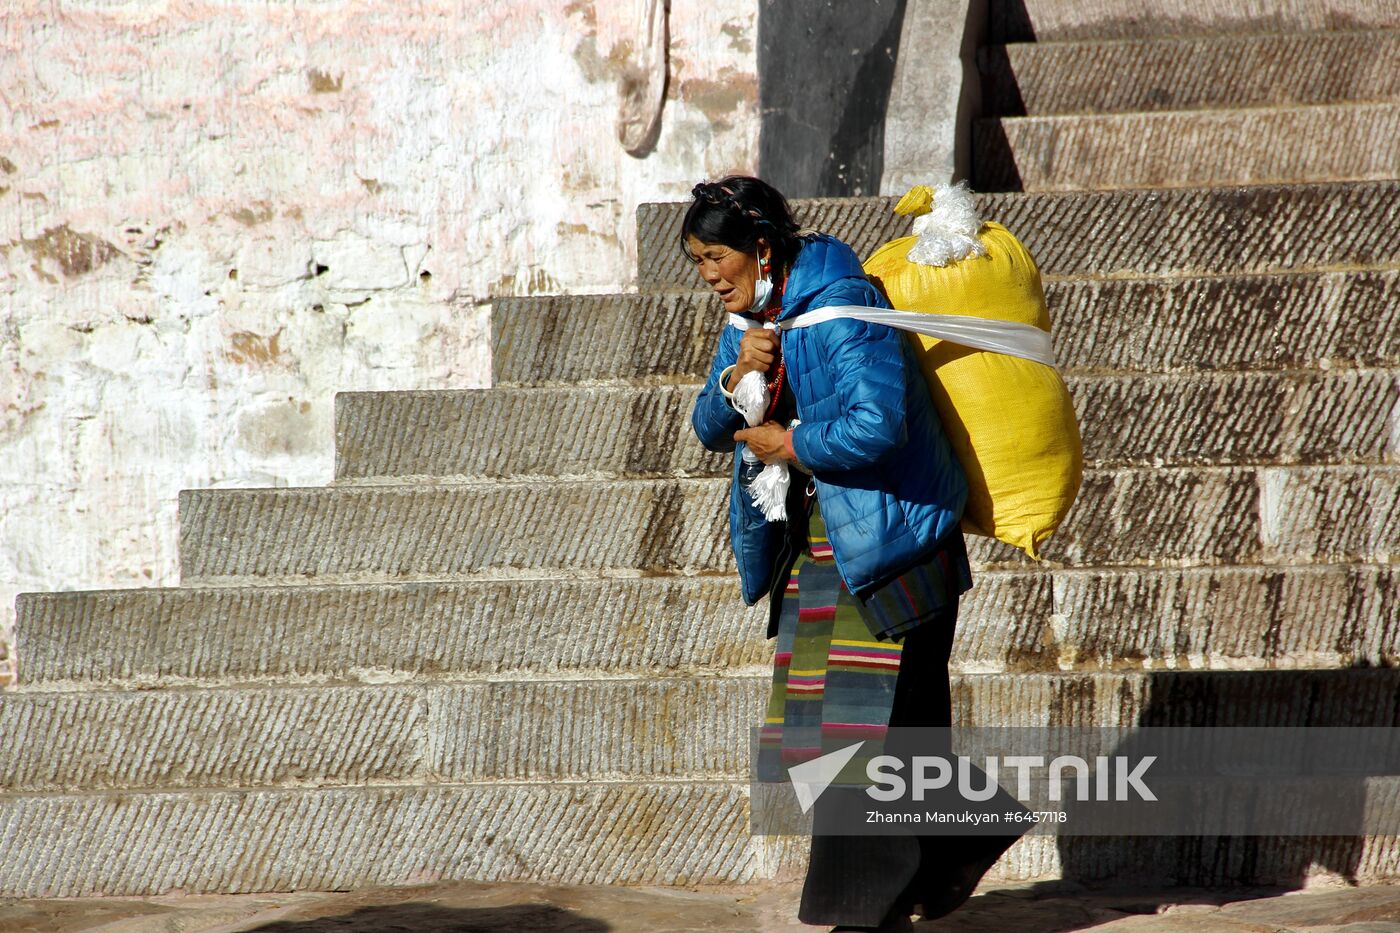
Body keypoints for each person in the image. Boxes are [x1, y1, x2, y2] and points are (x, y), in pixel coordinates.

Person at [684, 175, 1022, 932]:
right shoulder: (751, 317)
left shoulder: (842, 309)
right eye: (698, 260)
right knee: (855, 731)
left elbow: (878, 425)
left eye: (716, 257)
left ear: (761, 248)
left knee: (856, 734)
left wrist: (790, 442)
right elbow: (709, 423)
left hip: (895, 544)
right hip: (824, 547)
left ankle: (863, 910)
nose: (708, 275)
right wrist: (740, 374)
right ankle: (956, 844)